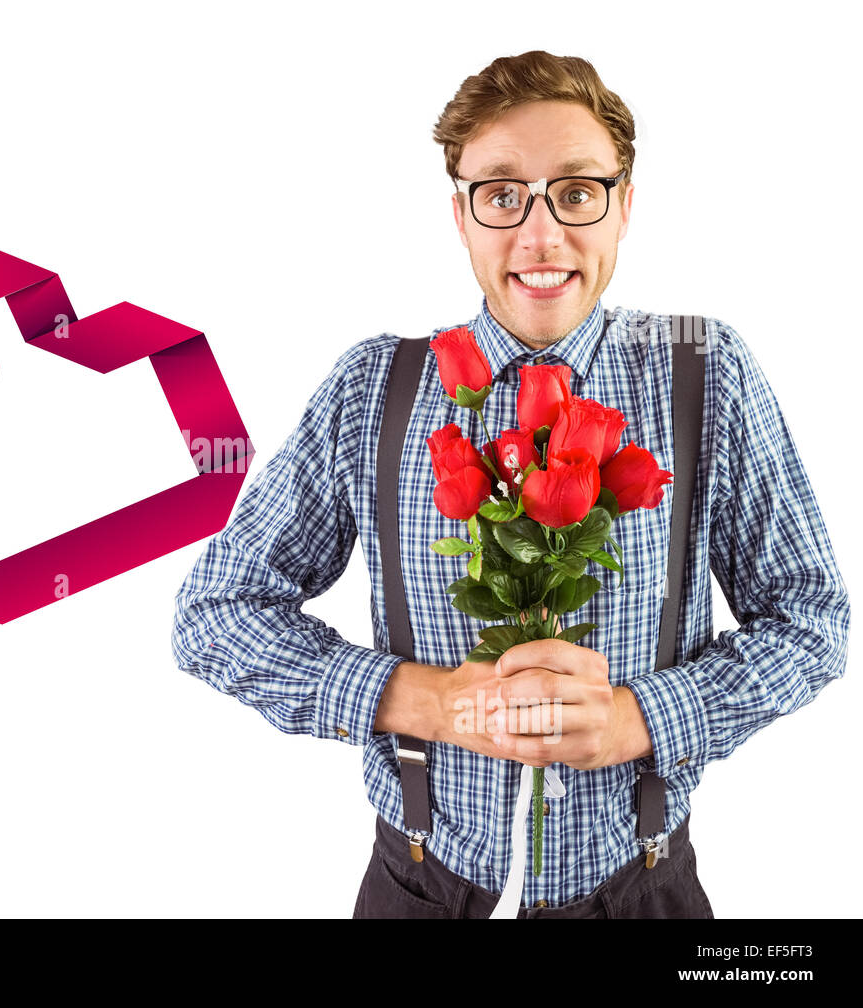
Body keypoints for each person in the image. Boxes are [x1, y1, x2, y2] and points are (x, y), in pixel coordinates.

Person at [169, 51, 851, 918]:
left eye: (576, 191)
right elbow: (214, 613)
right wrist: (429, 702)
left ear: (625, 205)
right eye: (502, 195)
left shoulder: (704, 368)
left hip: (642, 887)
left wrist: (644, 716)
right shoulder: (374, 388)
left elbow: (812, 618)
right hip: (420, 884)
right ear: (461, 215)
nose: (540, 236)